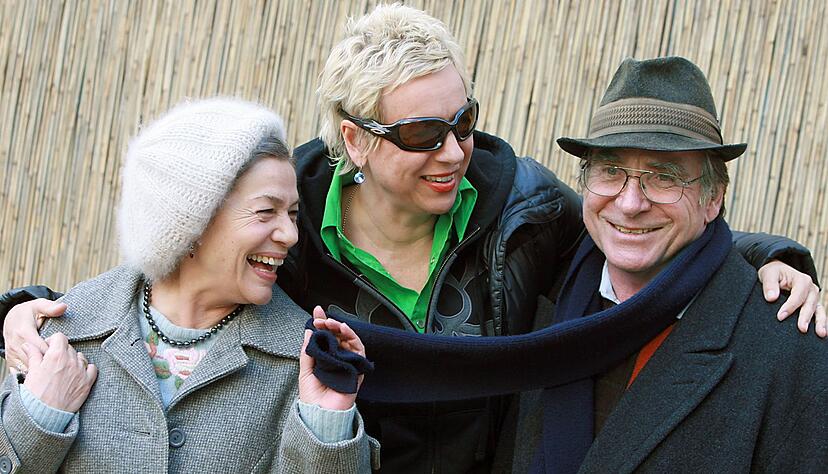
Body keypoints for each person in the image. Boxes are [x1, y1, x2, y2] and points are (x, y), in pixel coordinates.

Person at [0, 5, 823, 473]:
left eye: (464, 121)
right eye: (424, 134)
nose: (456, 152)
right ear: (355, 141)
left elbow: (638, 229)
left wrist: (769, 257)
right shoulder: (286, 228)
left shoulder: (526, 209)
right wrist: (27, 309)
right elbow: (169, 271)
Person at [0, 98, 377, 473]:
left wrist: (326, 429)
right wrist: (38, 417)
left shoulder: (305, 362)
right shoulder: (61, 336)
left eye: (292, 214)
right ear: (191, 221)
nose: (290, 235)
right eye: (266, 211)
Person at [506, 57, 828, 473]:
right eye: (611, 170)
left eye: (664, 177)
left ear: (713, 198)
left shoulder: (791, 353)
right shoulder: (542, 291)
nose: (630, 203)